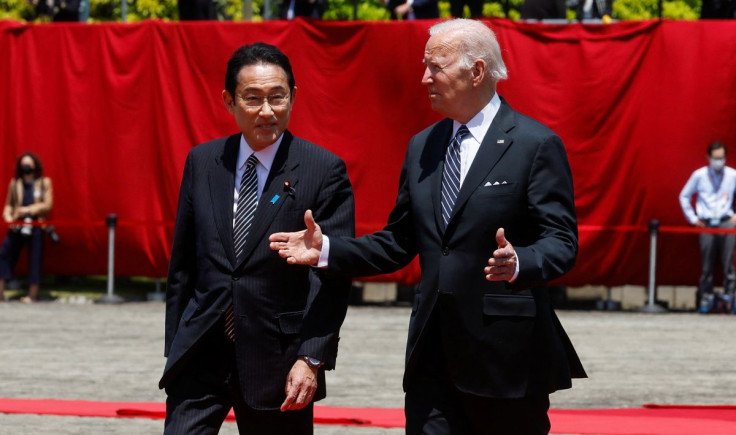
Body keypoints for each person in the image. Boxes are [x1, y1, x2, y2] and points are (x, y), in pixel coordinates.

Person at [270, 18, 586, 434]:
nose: (425, 78)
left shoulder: (534, 143)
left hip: (506, 360)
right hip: (432, 357)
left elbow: (561, 241)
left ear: (475, 71)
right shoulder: (424, 144)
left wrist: (521, 261)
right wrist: (327, 250)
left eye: (435, 67)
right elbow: (400, 241)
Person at [160, 42, 355, 434]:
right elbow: (183, 267)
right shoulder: (202, 161)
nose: (267, 111)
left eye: (277, 97)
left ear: (293, 97)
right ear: (229, 101)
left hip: (279, 361)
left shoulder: (322, 169)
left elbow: (333, 277)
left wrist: (312, 358)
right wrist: (175, 350)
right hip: (201, 351)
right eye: (252, 99)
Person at [679, 141, 736, 313]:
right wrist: (693, 218)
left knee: (729, 265)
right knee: (707, 266)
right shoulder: (699, 175)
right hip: (707, 222)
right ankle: (706, 298)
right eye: (715, 158)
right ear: (709, 158)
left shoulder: (732, 175)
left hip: (726, 221)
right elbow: (684, 195)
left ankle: (731, 298)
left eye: (722, 158)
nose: (719, 162)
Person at [0, 153, 54, 303]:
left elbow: (48, 205)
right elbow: (8, 205)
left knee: (35, 258)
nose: (26, 167)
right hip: (18, 224)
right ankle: (1, 291)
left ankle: (32, 294)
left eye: (29, 164)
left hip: (36, 223)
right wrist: (8, 217)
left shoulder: (44, 182)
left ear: (35, 165)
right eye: (24, 164)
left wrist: (29, 209)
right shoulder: (15, 183)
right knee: (4, 253)